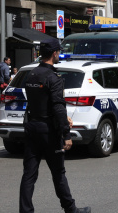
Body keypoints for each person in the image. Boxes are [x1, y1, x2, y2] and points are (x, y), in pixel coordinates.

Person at [19, 39, 91, 213]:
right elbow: (58, 107)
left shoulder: (31, 75)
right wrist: (66, 133)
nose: (59, 54)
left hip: (32, 127)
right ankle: (71, 209)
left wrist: (63, 118)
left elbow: (39, 103)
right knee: (58, 173)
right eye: (58, 52)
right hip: (49, 131)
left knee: (29, 174)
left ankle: (25, 211)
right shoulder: (54, 77)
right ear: (54, 53)